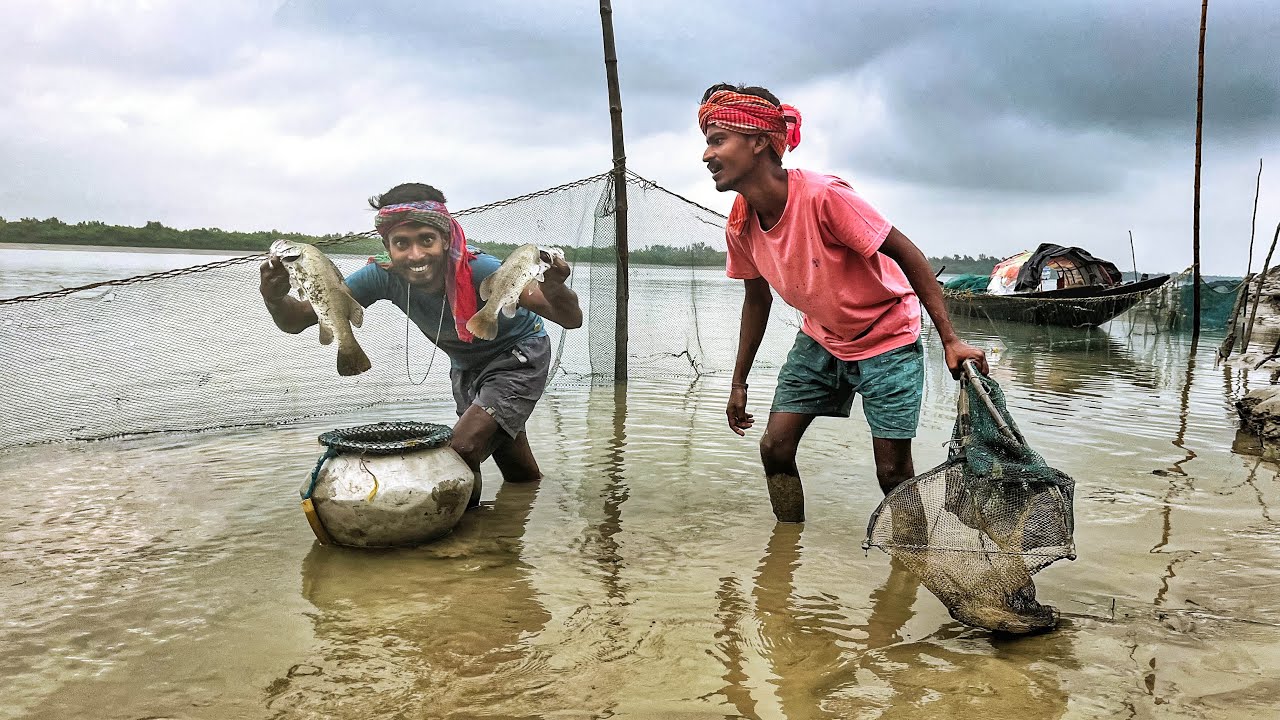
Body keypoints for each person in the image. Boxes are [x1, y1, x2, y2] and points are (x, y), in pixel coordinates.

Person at [698, 83, 988, 523]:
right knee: (775, 447)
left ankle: (913, 560)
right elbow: (756, 301)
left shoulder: (821, 197)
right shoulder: (740, 225)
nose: (706, 155)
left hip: (888, 336)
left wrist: (950, 339)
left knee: (892, 473)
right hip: (822, 337)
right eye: (707, 143)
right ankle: (784, 556)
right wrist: (738, 382)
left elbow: (906, 252)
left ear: (758, 142)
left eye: (718, 140)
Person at [259, 182, 583, 505]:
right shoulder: (381, 275)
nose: (415, 255)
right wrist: (273, 297)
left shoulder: (480, 269)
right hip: (467, 365)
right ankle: (510, 520)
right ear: (388, 245)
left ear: (444, 239)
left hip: (519, 356)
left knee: (462, 448)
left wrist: (555, 286)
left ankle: (452, 525)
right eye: (402, 243)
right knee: (509, 460)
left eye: (426, 240)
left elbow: (569, 319)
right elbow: (298, 320)